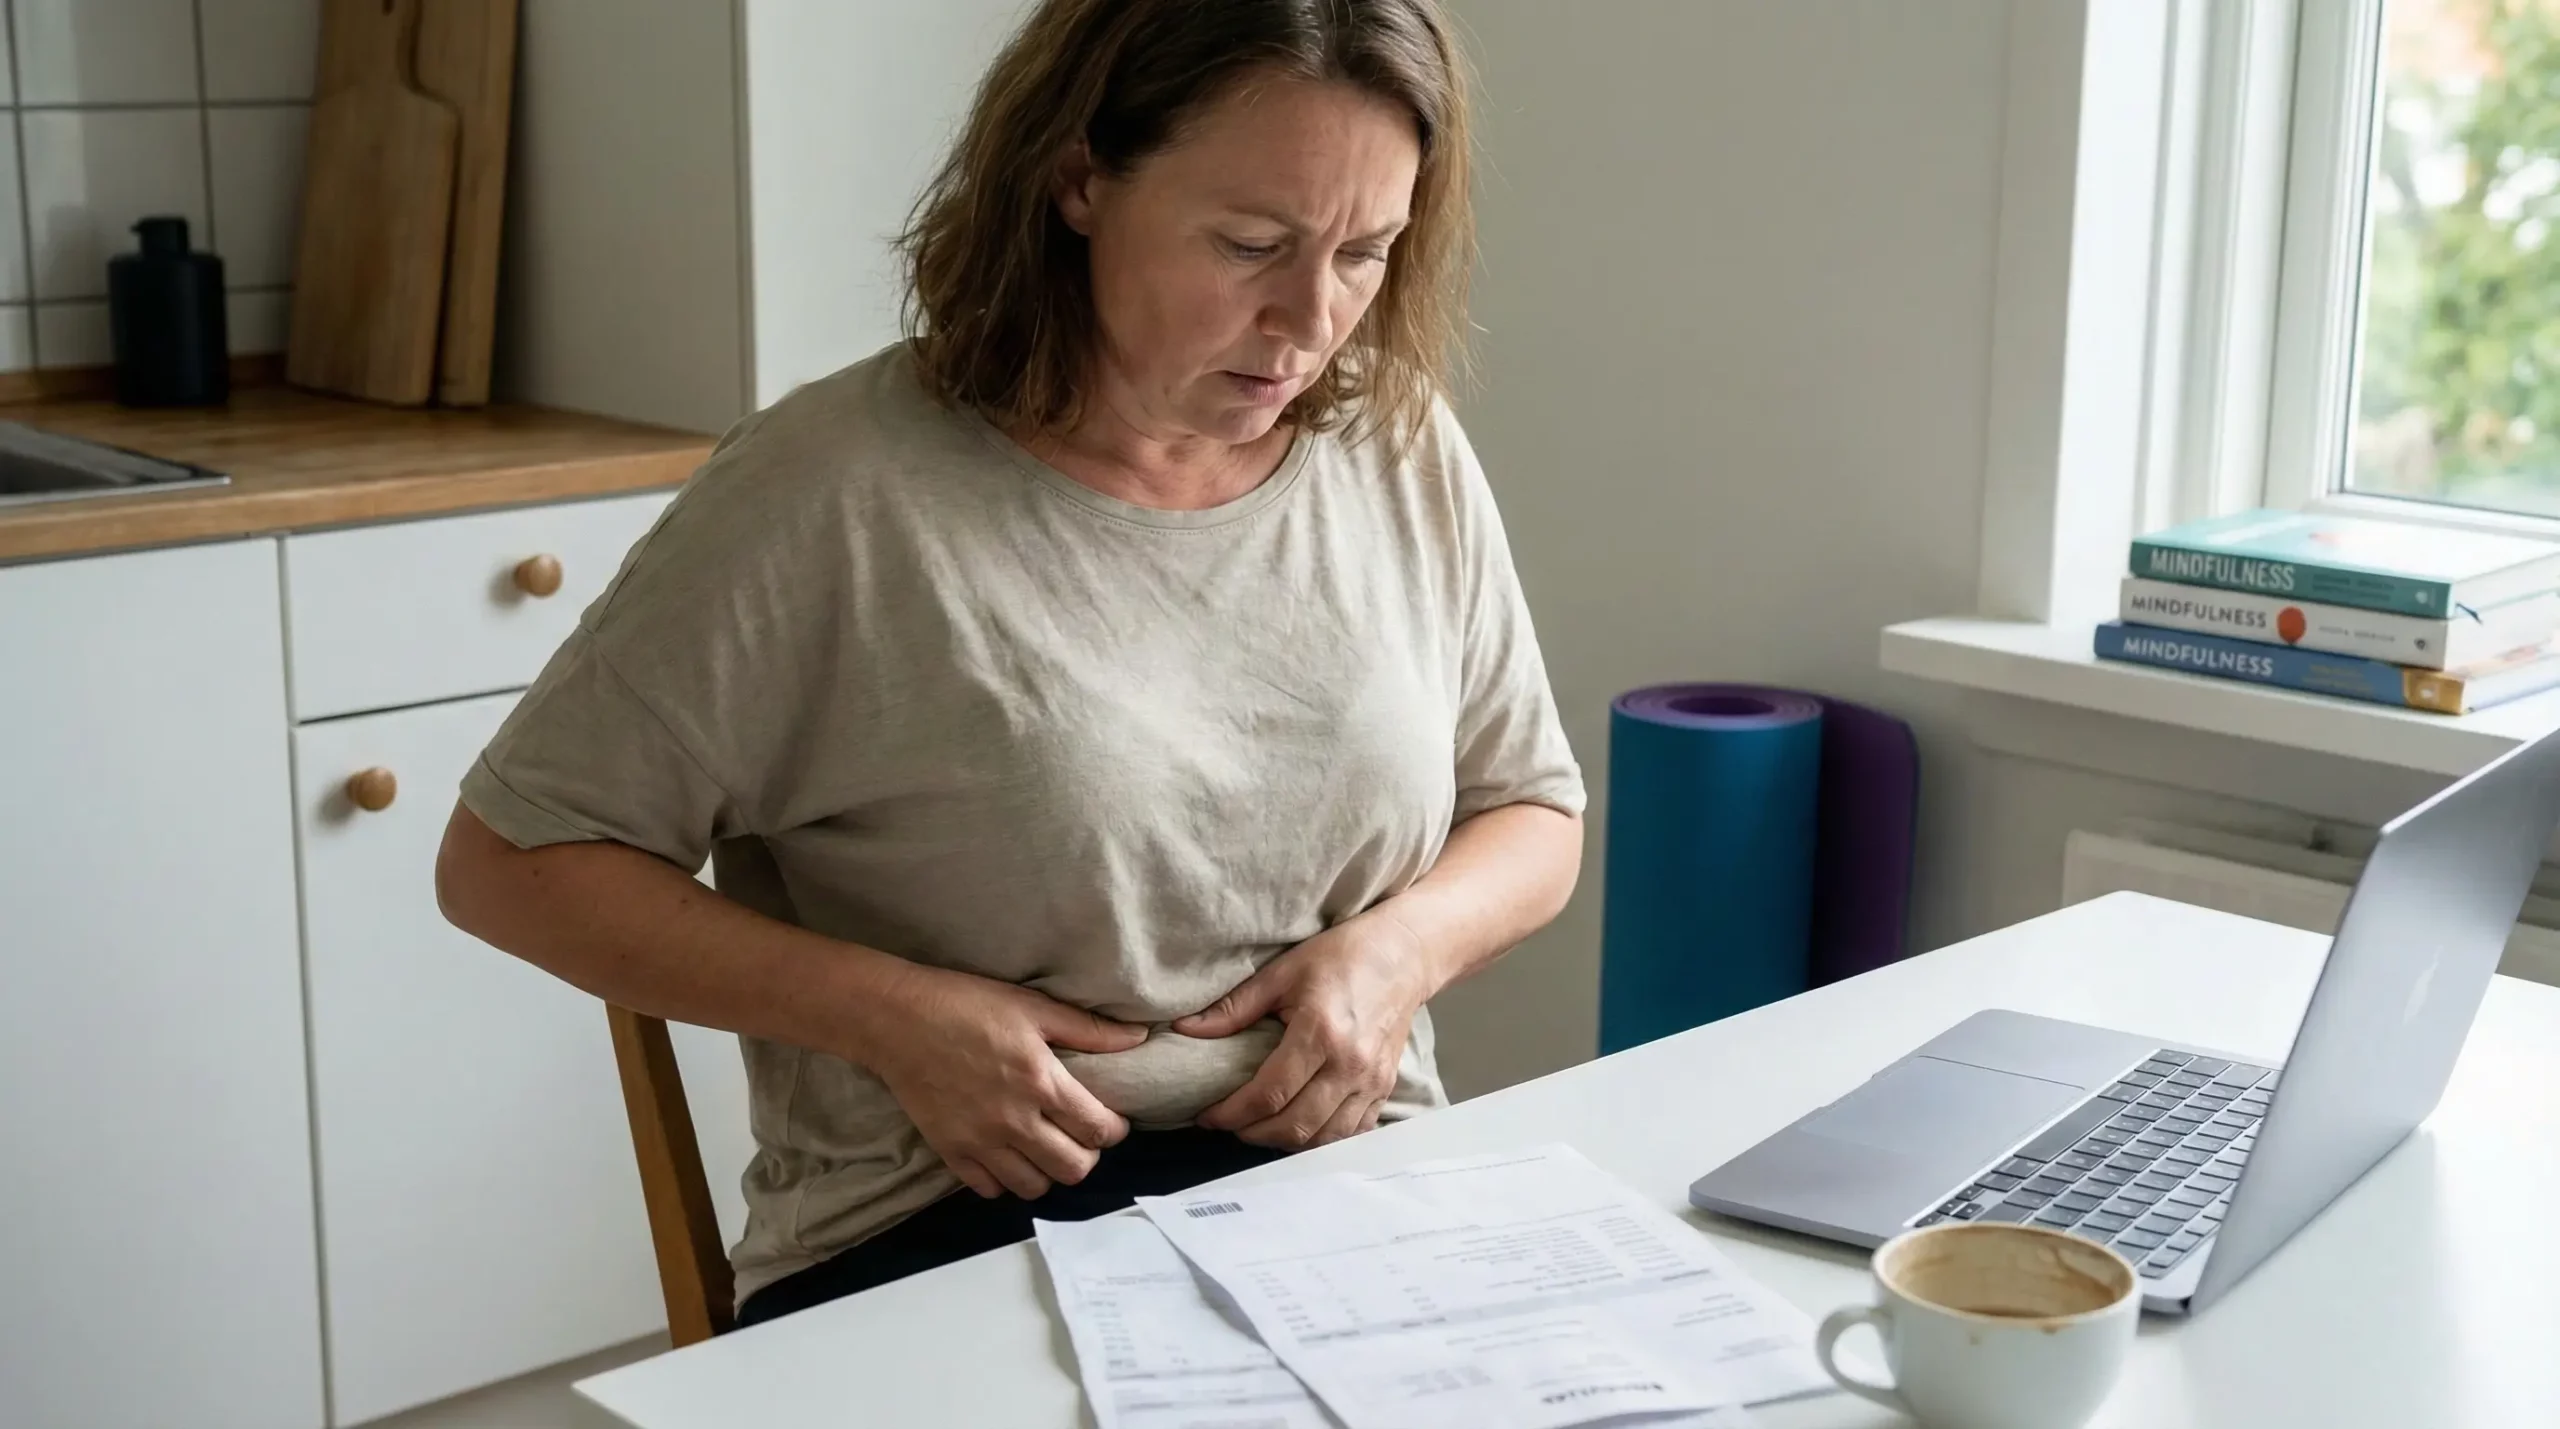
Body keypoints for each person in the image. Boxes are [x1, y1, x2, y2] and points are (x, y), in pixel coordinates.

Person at [433, 0, 1583, 1326]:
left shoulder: (1396, 443)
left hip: (1350, 1183)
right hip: (957, 1226)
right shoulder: (833, 493)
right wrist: (892, 1018)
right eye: (1251, 244)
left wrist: (1396, 959)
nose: (1309, 319)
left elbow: (1531, 813)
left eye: (1366, 253)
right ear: (1079, 179)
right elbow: (510, 862)